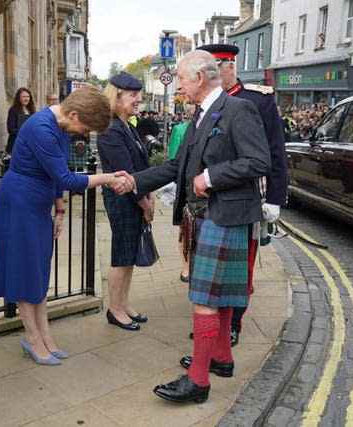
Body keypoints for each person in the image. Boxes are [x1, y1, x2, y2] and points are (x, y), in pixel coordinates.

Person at [115, 50, 270, 404]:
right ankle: (221, 358)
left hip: (224, 214)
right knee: (222, 295)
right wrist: (133, 181)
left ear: (199, 78)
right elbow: (176, 166)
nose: (180, 88)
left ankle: (198, 381)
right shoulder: (201, 115)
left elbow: (259, 161)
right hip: (208, 215)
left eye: (182, 80)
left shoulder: (238, 109)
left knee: (204, 299)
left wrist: (211, 177)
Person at [0, 86, 131, 366]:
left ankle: (45, 335)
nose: (82, 133)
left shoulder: (58, 126)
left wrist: (60, 209)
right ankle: (32, 338)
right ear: (73, 113)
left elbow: (52, 175)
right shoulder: (41, 127)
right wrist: (108, 177)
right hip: (19, 203)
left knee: (38, 270)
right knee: (24, 270)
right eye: (84, 127)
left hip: (35, 202)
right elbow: (66, 178)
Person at [197, 44, 288, 347]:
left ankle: (232, 324)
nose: (221, 71)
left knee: (239, 269)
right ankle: (213, 325)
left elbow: (274, 151)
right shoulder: (205, 102)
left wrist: (275, 197)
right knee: (209, 268)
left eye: (223, 65)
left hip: (245, 196)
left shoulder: (256, 101)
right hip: (208, 198)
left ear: (229, 66)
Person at [97, 72, 153, 331]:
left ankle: (124, 304)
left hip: (134, 197)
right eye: (133, 95)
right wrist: (145, 203)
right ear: (116, 97)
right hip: (122, 199)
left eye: (138, 95)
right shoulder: (110, 129)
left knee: (129, 254)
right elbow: (125, 172)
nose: (138, 100)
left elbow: (140, 166)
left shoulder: (126, 125)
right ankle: (114, 309)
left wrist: (147, 194)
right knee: (121, 255)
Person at [167, 103, 194, 282]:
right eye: (190, 104)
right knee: (185, 228)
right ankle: (186, 267)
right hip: (185, 187)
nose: (193, 107)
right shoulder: (180, 129)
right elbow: (173, 159)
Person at [6, 87, 35, 154]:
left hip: (28, 144)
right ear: (18, 98)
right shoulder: (13, 110)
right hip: (16, 144)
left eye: (28, 96)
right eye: (24, 96)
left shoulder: (31, 110)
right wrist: (26, 132)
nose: (26, 99)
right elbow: (11, 129)